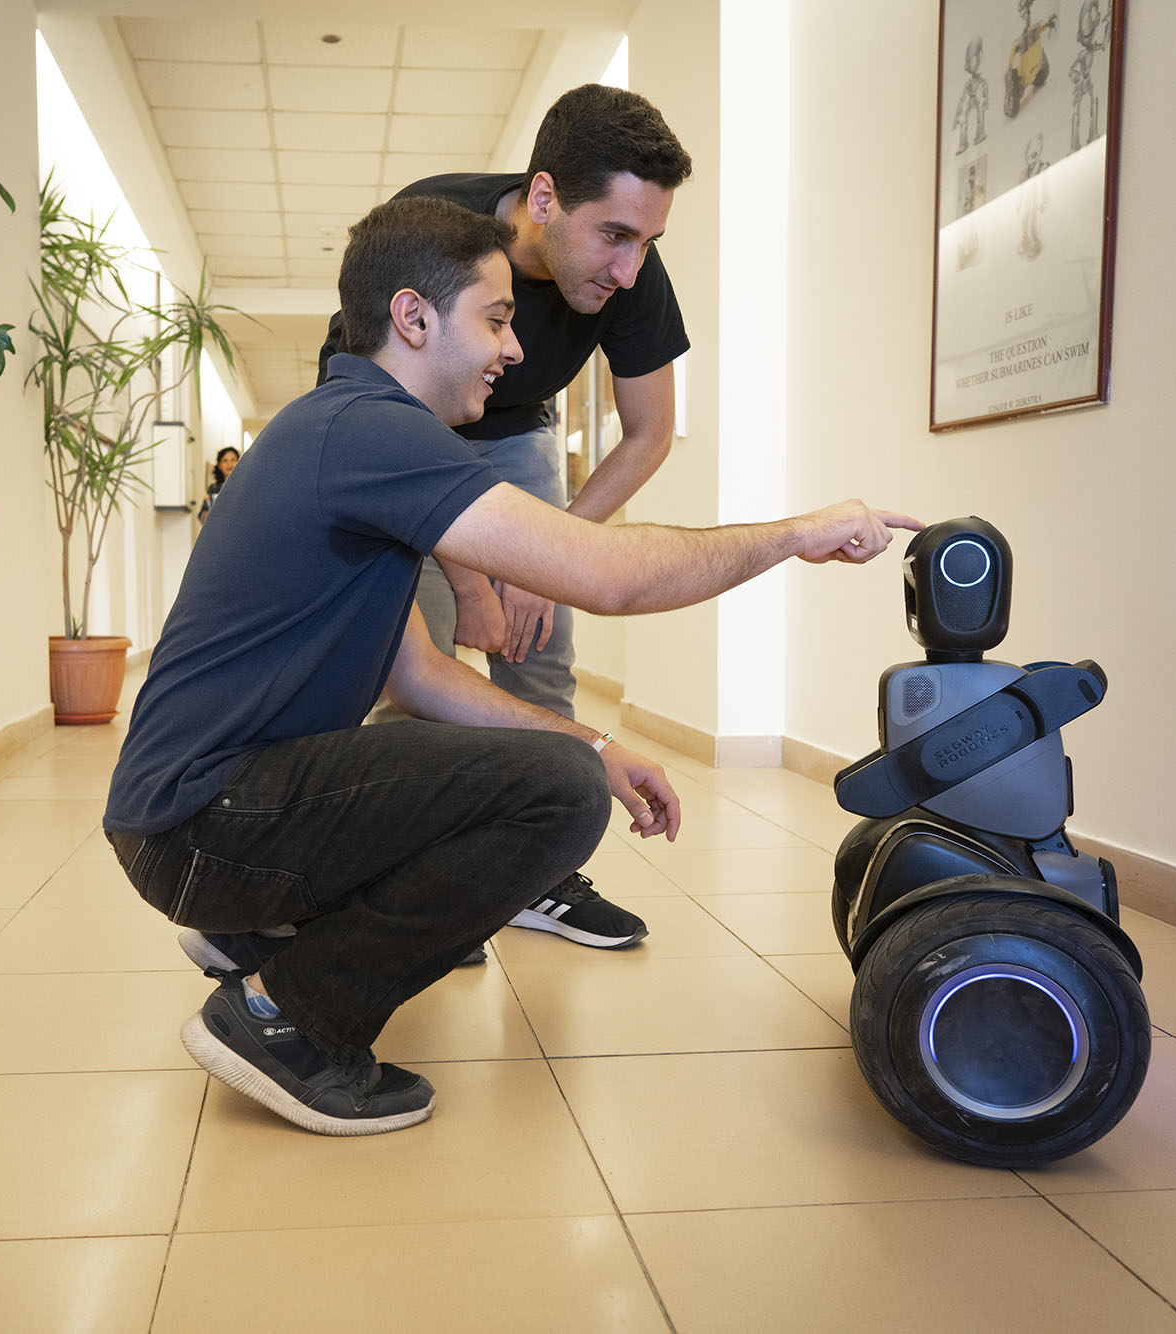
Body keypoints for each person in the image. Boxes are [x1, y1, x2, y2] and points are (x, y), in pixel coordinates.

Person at [102, 195, 918, 1136]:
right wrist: (796, 533)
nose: (517, 348)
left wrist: (593, 740)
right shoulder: (371, 430)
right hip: (203, 821)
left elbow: (420, 675)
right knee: (554, 795)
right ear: (413, 319)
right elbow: (606, 576)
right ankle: (286, 1020)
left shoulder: (339, 429)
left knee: (568, 769)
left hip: (184, 822)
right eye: (495, 320)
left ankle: (257, 932)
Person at [317, 83, 695, 952]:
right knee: (418, 657)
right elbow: (392, 424)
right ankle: (405, 877)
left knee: (540, 649)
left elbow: (648, 435)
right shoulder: (430, 232)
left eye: (648, 241)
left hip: (518, 433)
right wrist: (472, 570)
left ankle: (537, 874)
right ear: (545, 198)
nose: (630, 268)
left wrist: (538, 562)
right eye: (614, 236)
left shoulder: (631, 268)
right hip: (397, 432)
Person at [199, 446, 240, 520]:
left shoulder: (244, 487)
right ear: (219, 465)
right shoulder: (213, 489)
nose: (229, 464)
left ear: (240, 463)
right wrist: (208, 516)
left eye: (233, 460)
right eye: (225, 460)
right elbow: (202, 515)